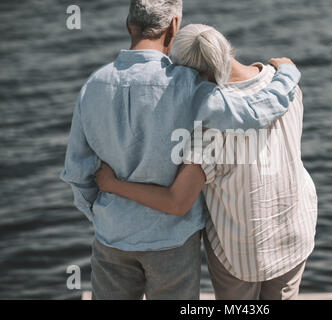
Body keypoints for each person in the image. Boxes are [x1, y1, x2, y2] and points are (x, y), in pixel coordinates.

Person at [60, 0, 300, 300]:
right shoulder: (187, 85)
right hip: (171, 240)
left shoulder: (93, 86)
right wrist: (288, 75)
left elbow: (77, 172)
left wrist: (102, 216)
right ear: (174, 26)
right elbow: (253, 113)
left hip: (111, 237)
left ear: (127, 25)